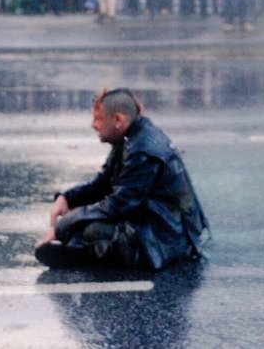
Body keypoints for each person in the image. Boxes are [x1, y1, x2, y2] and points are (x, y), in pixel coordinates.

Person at [35, 88, 209, 270]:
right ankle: (82, 248)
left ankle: (92, 255)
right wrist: (67, 198)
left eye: (98, 119)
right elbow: (103, 184)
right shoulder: (131, 137)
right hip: (161, 224)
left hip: (171, 238)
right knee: (83, 220)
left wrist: (63, 226)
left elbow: (118, 205)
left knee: (95, 231)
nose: (93, 125)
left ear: (118, 120)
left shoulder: (142, 151)